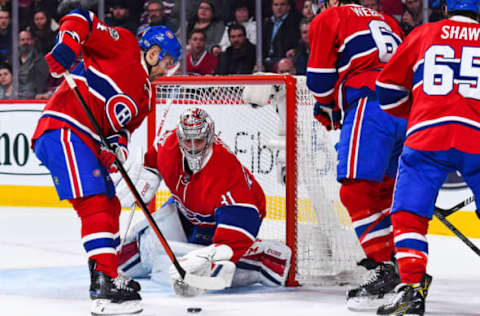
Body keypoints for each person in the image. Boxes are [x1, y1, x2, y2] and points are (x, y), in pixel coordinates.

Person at [30, 7, 181, 315]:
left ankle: (106, 270)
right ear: (153, 52)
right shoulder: (123, 44)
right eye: (166, 62)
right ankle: (104, 285)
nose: (168, 70)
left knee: (110, 203)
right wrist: (67, 45)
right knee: (96, 203)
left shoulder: (146, 95)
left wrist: (116, 149)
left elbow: (120, 130)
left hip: (85, 139)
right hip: (63, 127)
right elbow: (81, 18)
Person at [115, 108, 292, 297]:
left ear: (209, 138)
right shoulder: (168, 145)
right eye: (187, 141)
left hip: (222, 222)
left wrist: (212, 257)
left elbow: (239, 228)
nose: (192, 147)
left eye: (198, 141)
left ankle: (260, 261)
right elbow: (153, 158)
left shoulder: (226, 174)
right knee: (143, 250)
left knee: (208, 266)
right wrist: (148, 173)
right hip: (186, 211)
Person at [375, 0, 480, 315]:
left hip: (427, 136)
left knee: (408, 214)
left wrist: (415, 115)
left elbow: (387, 89)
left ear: (446, 7)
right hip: (476, 134)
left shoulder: (424, 33)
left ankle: (412, 287)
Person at [306, 0, 409, 311]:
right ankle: (401, 265)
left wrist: (328, 105)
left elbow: (320, 80)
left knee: (355, 191)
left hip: (370, 106)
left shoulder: (331, 16)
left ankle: (384, 269)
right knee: (385, 195)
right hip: (406, 110)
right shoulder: (390, 22)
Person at [262, 0, 302, 72]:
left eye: (282, 4)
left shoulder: (295, 22)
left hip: (284, 59)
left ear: (288, 7)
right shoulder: (267, 23)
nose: (279, 8)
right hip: (267, 60)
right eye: (276, 5)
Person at [18, 30, 50, 99]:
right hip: (16, 97)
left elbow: (41, 82)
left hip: (35, 98)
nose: (25, 42)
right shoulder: (12, 61)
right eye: (22, 40)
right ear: (18, 42)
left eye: (28, 39)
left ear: (32, 41)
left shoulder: (41, 61)